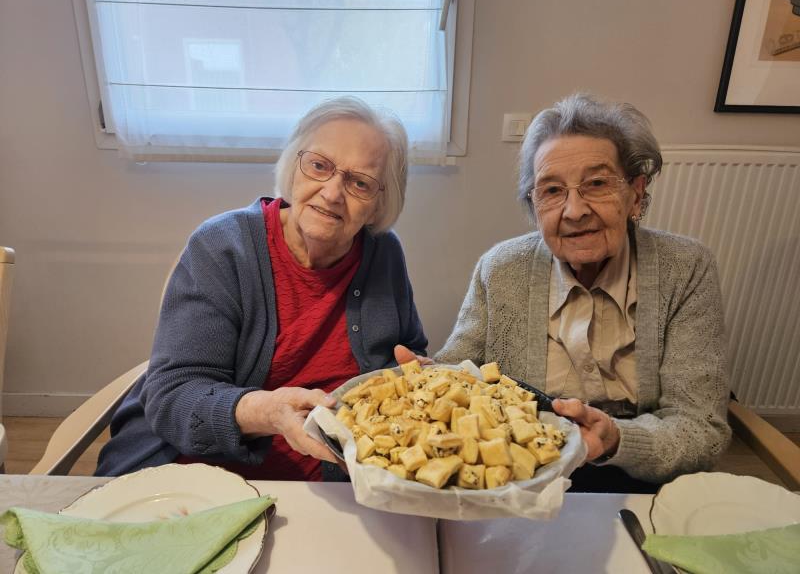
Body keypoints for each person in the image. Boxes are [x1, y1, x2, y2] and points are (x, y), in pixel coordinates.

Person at [96, 96, 427, 480]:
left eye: (359, 183)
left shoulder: (384, 253)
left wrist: (416, 376)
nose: (333, 193)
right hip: (201, 475)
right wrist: (266, 412)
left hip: (337, 483)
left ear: (379, 203)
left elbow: (406, 351)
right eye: (319, 166)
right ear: (293, 166)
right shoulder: (222, 247)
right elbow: (173, 397)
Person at [435, 93, 731, 492]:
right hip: (522, 476)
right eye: (552, 190)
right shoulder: (501, 268)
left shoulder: (686, 268)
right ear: (535, 206)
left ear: (635, 194)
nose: (574, 211)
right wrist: (424, 380)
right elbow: (456, 373)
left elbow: (701, 428)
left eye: (596, 184)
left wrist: (617, 439)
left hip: (642, 477)